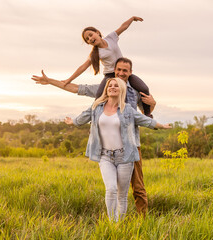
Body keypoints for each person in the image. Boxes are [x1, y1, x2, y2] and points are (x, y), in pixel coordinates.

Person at [32, 57, 154, 215]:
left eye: (125, 70)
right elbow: (77, 88)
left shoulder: (136, 92)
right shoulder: (104, 89)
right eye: (119, 70)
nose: (121, 73)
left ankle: (142, 221)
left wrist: (153, 104)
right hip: (107, 149)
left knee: (138, 187)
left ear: (130, 72)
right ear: (114, 71)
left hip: (131, 146)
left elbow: (146, 116)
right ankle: (115, 223)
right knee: (112, 188)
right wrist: (50, 81)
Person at [65, 77, 171, 222]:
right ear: (106, 89)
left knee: (122, 194)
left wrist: (161, 126)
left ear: (121, 89)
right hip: (105, 156)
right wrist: (72, 122)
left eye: (116, 85)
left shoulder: (127, 109)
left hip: (125, 156)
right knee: (111, 189)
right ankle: (112, 224)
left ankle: (119, 225)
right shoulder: (97, 106)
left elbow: (144, 120)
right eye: (110, 85)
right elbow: (83, 117)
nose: (112, 87)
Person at [39, 16, 153, 117]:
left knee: (144, 89)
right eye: (87, 40)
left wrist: (132, 19)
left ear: (97, 32)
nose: (90, 39)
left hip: (123, 73)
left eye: (90, 35)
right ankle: (94, 119)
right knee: (99, 96)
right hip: (110, 75)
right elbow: (83, 67)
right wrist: (69, 79)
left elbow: (123, 27)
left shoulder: (111, 38)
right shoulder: (96, 53)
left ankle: (148, 114)